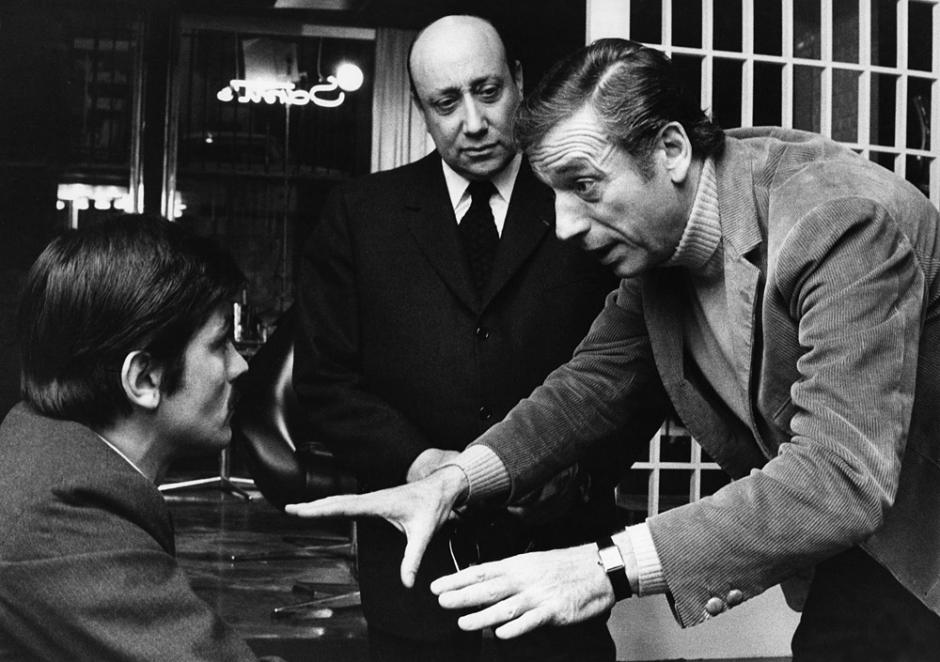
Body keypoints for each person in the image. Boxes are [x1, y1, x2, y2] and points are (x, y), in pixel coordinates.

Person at [287, 38, 940, 661]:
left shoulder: (839, 220)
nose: (564, 224)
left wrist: (608, 566)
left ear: (671, 150)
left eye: (585, 185)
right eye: (555, 192)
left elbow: (839, 476)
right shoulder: (663, 247)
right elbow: (592, 385)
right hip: (862, 555)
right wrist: (454, 480)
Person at [292, 15, 636, 662]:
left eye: (488, 91)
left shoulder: (582, 203)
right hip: (412, 568)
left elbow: (635, 371)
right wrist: (423, 465)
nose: (473, 122)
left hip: (558, 557)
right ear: (419, 109)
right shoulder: (360, 217)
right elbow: (322, 385)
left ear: (519, 82)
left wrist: (578, 474)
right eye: (446, 103)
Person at [0, 214, 260, 661]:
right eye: (220, 344)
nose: (240, 366)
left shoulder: (43, 453)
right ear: (144, 379)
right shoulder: (60, 520)